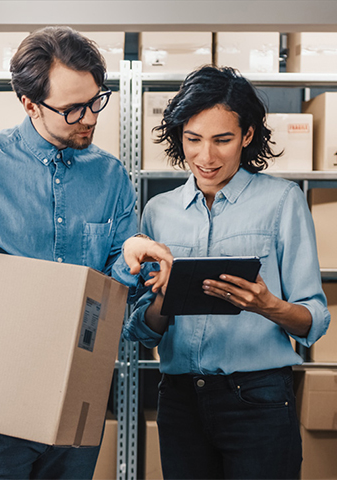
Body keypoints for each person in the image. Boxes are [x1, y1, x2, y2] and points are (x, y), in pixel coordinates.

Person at [0, 26, 172, 480]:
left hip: (77, 391)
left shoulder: (111, 178)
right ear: (29, 104)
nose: (90, 118)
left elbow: (112, 294)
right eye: (72, 109)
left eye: (96, 100)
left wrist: (131, 261)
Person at [123, 65, 331, 479]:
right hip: (180, 400)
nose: (206, 157)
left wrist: (268, 306)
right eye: (193, 140)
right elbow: (142, 332)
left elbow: (315, 320)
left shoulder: (282, 201)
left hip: (258, 397)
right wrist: (165, 297)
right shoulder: (158, 211)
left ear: (247, 136)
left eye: (222, 140)